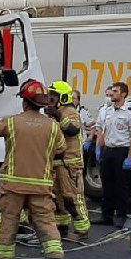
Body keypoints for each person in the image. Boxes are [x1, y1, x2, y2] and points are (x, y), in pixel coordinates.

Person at [0, 79, 68, 259]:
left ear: (25, 103)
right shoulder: (53, 127)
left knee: (8, 221)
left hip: (13, 185)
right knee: (46, 222)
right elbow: (61, 150)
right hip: (41, 186)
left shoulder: (12, 122)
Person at [90, 82, 131, 226]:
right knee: (107, 184)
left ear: (123, 94)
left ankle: (121, 215)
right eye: (112, 91)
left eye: (116, 91)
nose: (112, 94)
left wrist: (130, 157)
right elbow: (101, 130)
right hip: (108, 150)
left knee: (121, 185)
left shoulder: (129, 112)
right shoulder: (107, 111)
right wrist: (98, 149)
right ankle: (106, 215)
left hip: (121, 151)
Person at [46, 80, 90, 241]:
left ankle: (82, 229)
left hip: (70, 163)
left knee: (73, 197)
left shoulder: (69, 111)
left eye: (54, 95)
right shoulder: (55, 112)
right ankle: (62, 227)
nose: (50, 97)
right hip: (57, 162)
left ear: (62, 97)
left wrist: (58, 115)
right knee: (58, 197)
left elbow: (73, 130)